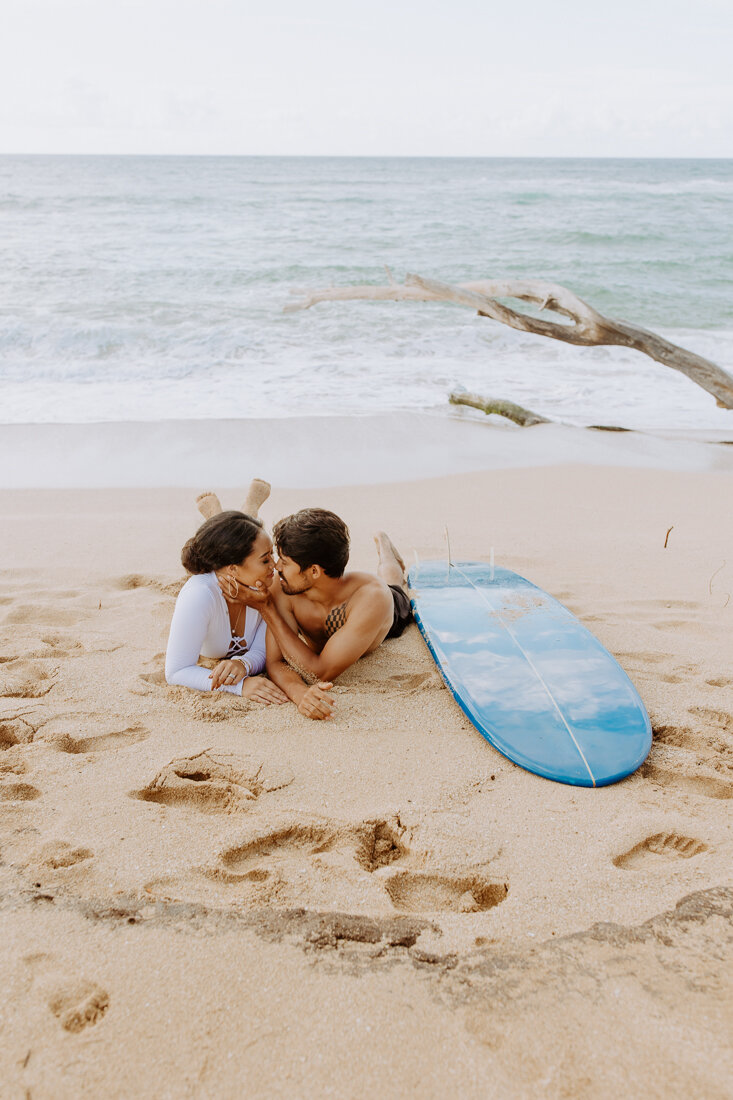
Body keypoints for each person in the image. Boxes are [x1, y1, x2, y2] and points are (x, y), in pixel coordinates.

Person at [248, 508, 412, 720]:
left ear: (314, 571)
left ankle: (384, 545)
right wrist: (299, 693)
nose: (277, 567)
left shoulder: (371, 599)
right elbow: (276, 662)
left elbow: (320, 672)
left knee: (394, 584)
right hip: (333, 590)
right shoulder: (285, 588)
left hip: (383, 611)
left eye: (285, 562)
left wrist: (266, 609)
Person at [165, 511, 287, 704]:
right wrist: (240, 686)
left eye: (271, 554)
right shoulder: (199, 595)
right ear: (232, 569)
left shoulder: (268, 584)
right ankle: (218, 511)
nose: (276, 565)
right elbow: (176, 671)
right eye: (265, 559)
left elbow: (263, 650)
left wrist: (242, 664)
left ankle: (245, 511)